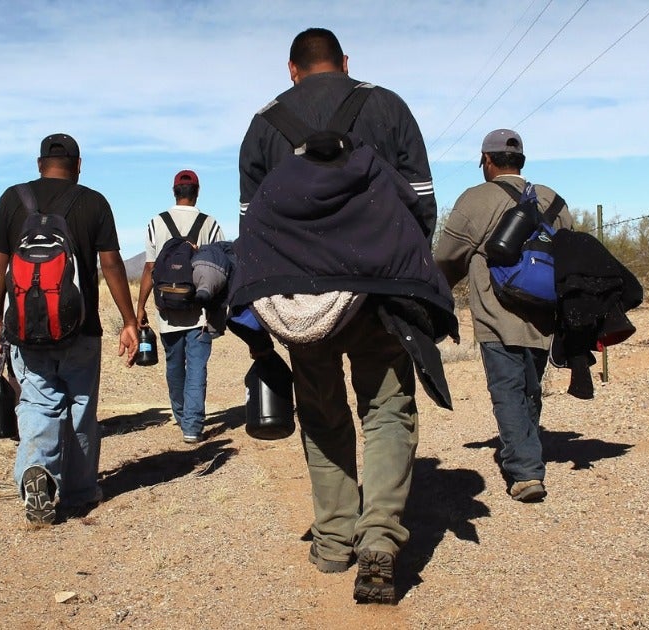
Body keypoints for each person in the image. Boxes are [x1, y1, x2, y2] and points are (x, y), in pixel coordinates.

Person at [235, 27, 446, 605]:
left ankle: (333, 541)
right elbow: (422, 205)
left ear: (292, 69)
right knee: (387, 409)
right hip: (380, 291)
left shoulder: (264, 124)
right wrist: (399, 269)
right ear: (345, 62)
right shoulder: (388, 106)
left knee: (322, 412)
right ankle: (379, 536)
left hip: (302, 300)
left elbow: (251, 225)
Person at [0, 133, 139, 526]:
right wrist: (129, 321)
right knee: (81, 408)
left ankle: (37, 470)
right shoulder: (94, 202)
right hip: (81, 328)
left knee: (39, 402)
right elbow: (111, 264)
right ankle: (79, 491)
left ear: (40, 165)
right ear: (79, 165)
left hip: (25, 328)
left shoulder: (12, 198)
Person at [433, 128, 573, 503]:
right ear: (521, 161)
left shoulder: (476, 199)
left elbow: (447, 257)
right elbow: (567, 251)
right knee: (530, 387)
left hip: (497, 314)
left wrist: (436, 293)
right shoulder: (553, 199)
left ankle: (526, 472)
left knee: (507, 390)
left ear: (487, 161)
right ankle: (527, 449)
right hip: (543, 315)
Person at [135, 170, 226, 444]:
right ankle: (192, 427)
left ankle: (182, 414)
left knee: (174, 365)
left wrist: (140, 307)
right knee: (197, 368)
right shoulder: (210, 224)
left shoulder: (156, 223)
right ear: (197, 192)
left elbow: (149, 268)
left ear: (174, 191)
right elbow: (221, 266)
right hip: (200, 312)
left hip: (167, 311)